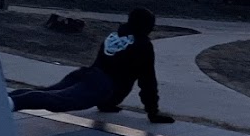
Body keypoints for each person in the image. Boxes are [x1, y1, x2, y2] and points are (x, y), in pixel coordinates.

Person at [9, 7, 174, 123]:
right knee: (57, 100)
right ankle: (8, 104)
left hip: (87, 74)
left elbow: (112, 66)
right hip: (100, 85)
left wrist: (106, 104)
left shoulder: (114, 36)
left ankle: (3, 98)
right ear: (146, 26)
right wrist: (153, 113)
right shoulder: (142, 45)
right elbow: (147, 81)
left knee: (47, 92)